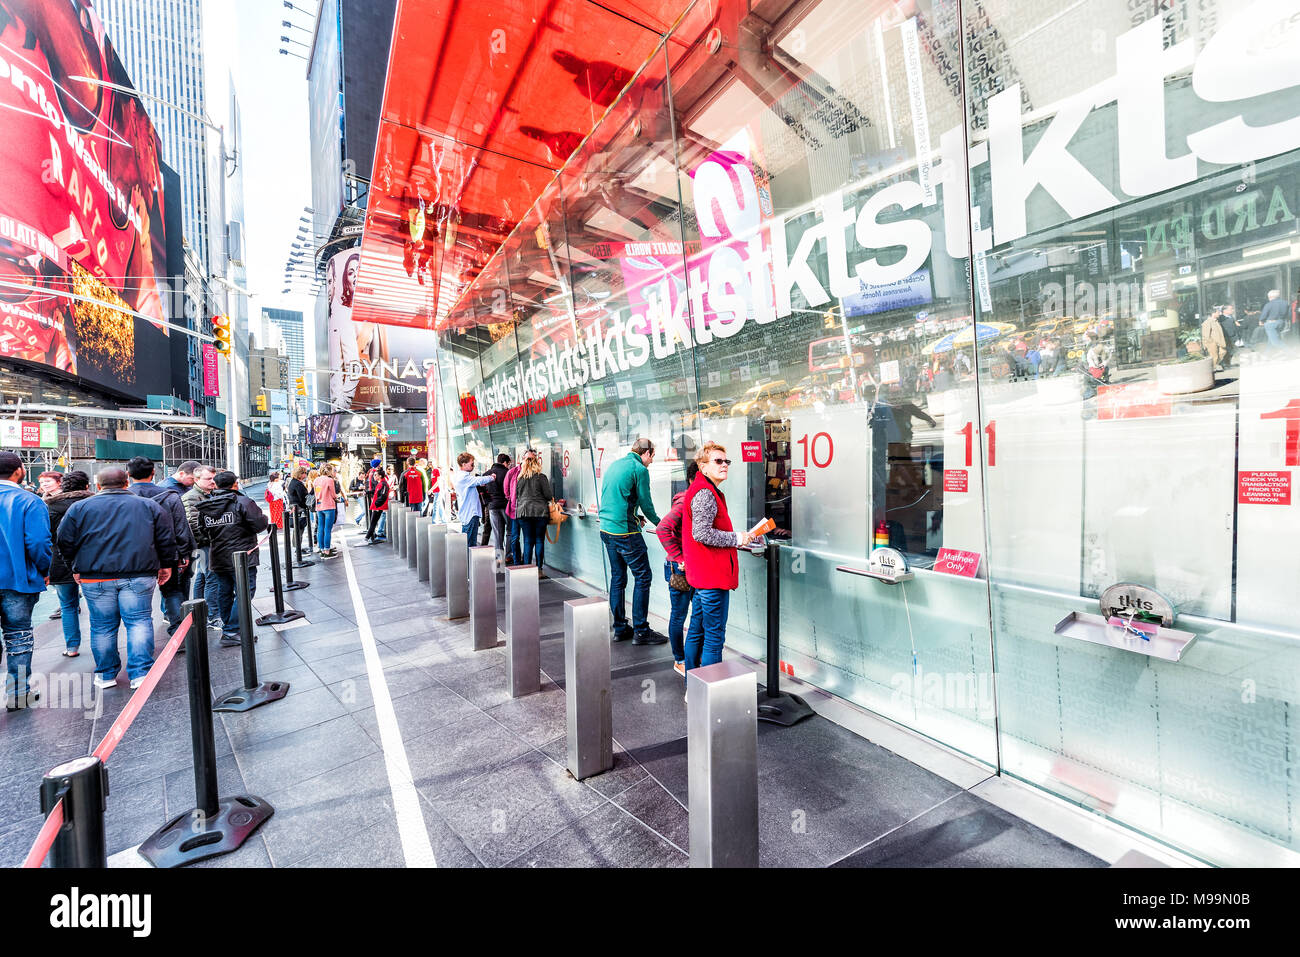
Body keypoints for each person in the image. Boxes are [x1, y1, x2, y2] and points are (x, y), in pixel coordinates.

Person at [58, 467, 176, 690]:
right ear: (126, 483)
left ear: (98, 486)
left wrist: (74, 566)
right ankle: (140, 673)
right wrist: (166, 564)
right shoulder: (148, 505)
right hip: (139, 573)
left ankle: (105, 674)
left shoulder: (79, 508)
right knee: (139, 621)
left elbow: (64, 541)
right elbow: (165, 539)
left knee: (102, 626)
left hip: (95, 576)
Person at [682, 443, 755, 689]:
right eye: (718, 461)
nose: (724, 465)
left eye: (727, 462)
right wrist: (737, 538)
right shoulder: (705, 493)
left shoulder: (702, 489)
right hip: (711, 578)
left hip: (703, 576)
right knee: (713, 637)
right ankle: (711, 692)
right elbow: (701, 533)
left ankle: (693, 688)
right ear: (703, 466)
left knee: (697, 631)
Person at [597, 437, 665, 645]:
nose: (652, 461)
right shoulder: (640, 469)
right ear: (646, 453)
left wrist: (635, 515)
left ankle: (620, 628)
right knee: (643, 577)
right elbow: (646, 502)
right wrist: (661, 523)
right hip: (625, 533)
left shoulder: (616, 465)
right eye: (652, 457)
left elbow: (617, 497)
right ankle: (642, 631)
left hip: (606, 529)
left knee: (618, 578)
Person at [0, 451, 51, 709]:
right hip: (17, 581)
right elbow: (39, 543)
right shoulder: (29, 501)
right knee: (18, 637)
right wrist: (45, 568)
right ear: (20, 470)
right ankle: (18, 693)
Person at [196, 471, 269, 648]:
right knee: (245, 592)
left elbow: (202, 531)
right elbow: (260, 524)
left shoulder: (205, 506)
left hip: (219, 556)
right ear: (235, 484)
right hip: (242, 556)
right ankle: (232, 629)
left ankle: (229, 628)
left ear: (216, 485)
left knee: (225, 592)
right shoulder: (243, 502)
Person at [127, 456, 195, 637]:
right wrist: (184, 553)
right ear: (153, 472)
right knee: (172, 592)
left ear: (129, 474)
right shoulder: (169, 496)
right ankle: (179, 632)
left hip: (133, 556)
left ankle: (140, 638)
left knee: (137, 598)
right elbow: (181, 526)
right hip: (168, 552)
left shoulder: (124, 497)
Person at [656, 461, 699, 677]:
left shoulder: (696, 499)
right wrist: (679, 556)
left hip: (694, 566)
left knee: (696, 615)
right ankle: (680, 659)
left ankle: (690, 658)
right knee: (679, 615)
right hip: (680, 568)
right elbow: (662, 528)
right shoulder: (684, 502)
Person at [45, 470, 94, 657]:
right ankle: (102, 643)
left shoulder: (51, 507)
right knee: (97, 606)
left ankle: (72, 647)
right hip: (91, 562)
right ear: (87, 486)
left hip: (59, 561)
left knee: (67, 606)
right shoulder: (93, 504)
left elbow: (46, 536)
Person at [183, 465, 222, 631]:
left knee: (203, 576)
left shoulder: (208, 493)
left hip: (208, 543)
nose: (213, 482)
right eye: (208, 479)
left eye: (213, 478)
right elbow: (194, 524)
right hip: (204, 544)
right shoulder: (191, 497)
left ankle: (199, 611)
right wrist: (211, 539)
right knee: (210, 577)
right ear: (196, 479)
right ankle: (213, 616)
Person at [514, 453, 553, 569]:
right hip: (540, 512)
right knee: (539, 540)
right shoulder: (541, 477)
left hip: (524, 512)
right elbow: (548, 495)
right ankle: (539, 569)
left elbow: (517, 495)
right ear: (537, 463)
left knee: (527, 540)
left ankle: (527, 568)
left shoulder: (520, 478)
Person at [452, 452, 497, 549]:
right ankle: (468, 563)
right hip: (470, 514)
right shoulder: (464, 477)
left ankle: (468, 562)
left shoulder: (462, 476)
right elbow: (478, 480)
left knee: (470, 543)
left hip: (468, 514)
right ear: (464, 464)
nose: (473, 466)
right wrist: (491, 477)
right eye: (471, 464)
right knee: (470, 545)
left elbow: (475, 482)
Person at [503, 451, 529, 565]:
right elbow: (506, 489)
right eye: (528, 459)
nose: (530, 462)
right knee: (515, 537)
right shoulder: (512, 472)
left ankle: (527, 562)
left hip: (528, 512)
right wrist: (512, 499)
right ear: (522, 458)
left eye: (532, 459)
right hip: (515, 510)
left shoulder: (533, 472)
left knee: (528, 539)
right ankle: (517, 562)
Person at [484, 453, 511, 562]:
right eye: (508, 464)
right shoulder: (507, 473)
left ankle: (499, 558)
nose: (508, 466)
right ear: (505, 463)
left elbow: (480, 488)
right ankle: (509, 555)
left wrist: (487, 501)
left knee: (497, 533)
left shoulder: (487, 473)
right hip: (506, 505)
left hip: (492, 506)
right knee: (510, 531)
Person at [313, 464, 340, 556]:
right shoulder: (329, 480)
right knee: (327, 529)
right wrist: (337, 498)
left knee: (320, 528)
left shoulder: (316, 480)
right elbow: (333, 494)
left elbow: (316, 493)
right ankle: (327, 550)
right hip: (329, 506)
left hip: (319, 506)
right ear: (329, 471)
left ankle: (321, 549)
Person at [286, 466, 311, 553]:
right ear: (300, 474)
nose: (306, 475)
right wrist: (306, 505)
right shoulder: (298, 484)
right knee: (299, 528)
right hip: (298, 508)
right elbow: (303, 497)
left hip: (294, 507)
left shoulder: (293, 482)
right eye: (304, 473)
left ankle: (298, 547)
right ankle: (298, 549)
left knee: (298, 528)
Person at [365, 459, 390, 543]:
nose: (374, 476)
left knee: (374, 521)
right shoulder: (380, 481)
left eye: (376, 475)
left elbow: (382, 494)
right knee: (374, 521)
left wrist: (376, 504)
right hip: (377, 503)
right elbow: (377, 490)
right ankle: (370, 537)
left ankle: (368, 537)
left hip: (377, 504)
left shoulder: (382, 483)